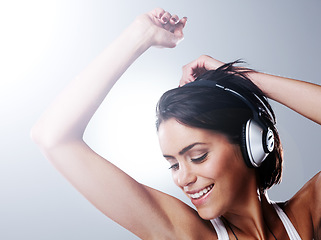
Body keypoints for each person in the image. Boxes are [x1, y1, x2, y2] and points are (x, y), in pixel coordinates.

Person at [31, 8, 321, 240]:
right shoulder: (185, 234)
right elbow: (53, 136)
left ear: (254, 142)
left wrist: (241, 78)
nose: (182, 179)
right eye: (173, 164)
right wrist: (140, 36)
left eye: (197, 156)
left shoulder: (309, 215)